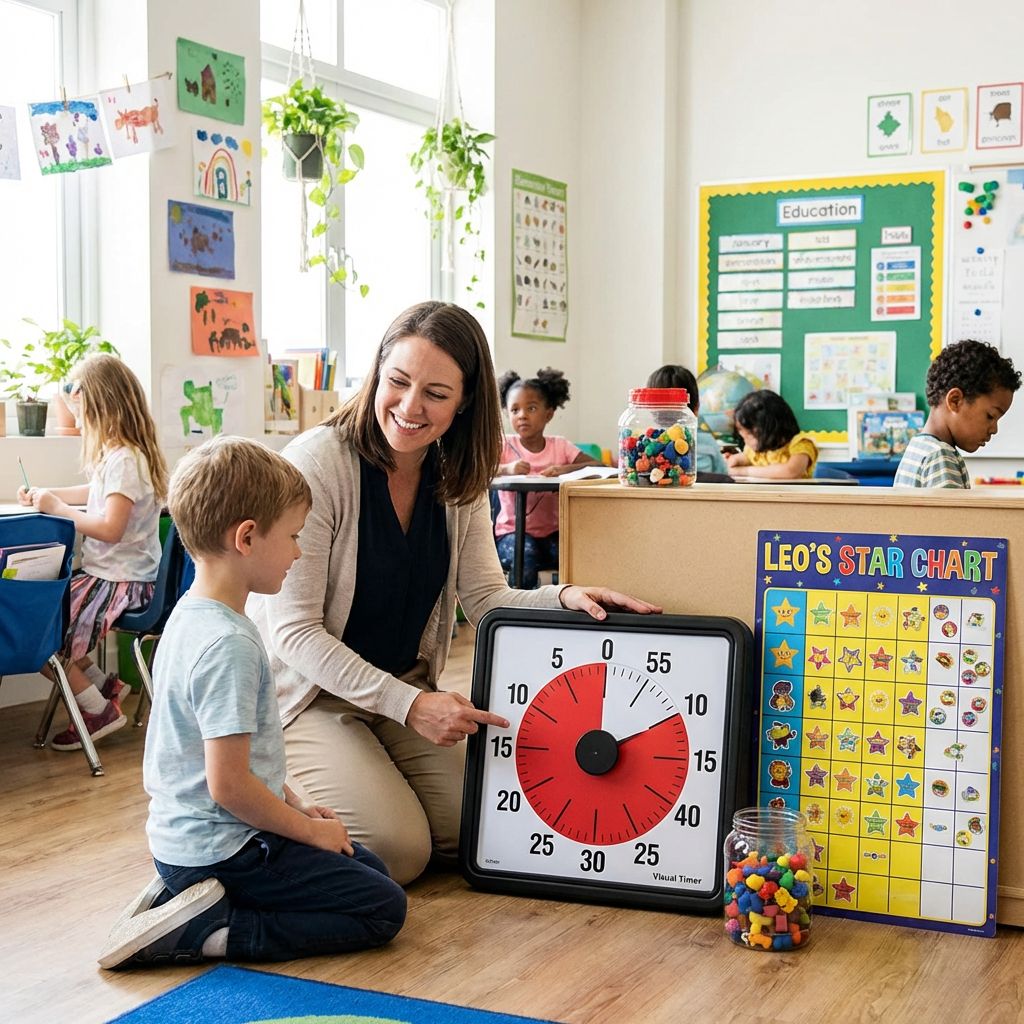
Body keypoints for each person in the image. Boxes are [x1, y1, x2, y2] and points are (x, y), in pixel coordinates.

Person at [249, 301, 661, 886]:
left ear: (465, 401)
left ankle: (358, 786)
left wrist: (564, 597)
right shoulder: (319, 463)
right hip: (310, 700)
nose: (410, 407)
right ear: (376, 374)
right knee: (398, 851)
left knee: (481, 828)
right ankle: (244, 838)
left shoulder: (455, 474)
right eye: (397, 382)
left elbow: (489, 598)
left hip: (401, 693)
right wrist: (412, 706)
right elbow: (293, 632)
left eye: (436, 393)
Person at [98, 437, 406, 969]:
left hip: (190, 845)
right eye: (291, 536)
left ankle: (187, 902)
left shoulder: (190, 615)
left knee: (370, 866)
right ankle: (211, 932)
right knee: (383, 907)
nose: (298, 552)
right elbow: (229, 785)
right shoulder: (230, 644)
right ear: (246, 537)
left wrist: (297, 803)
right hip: (225, 850)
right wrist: (308, 831)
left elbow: (235, 757)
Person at [17, 354, 167, 751]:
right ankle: (104, 688)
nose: (79, 424)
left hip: (122, 583)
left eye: (80, 415)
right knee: (51, 620)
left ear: (102, 407)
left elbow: (110, 528)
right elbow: (92, 495)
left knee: (40, 634)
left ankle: (96, 710)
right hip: (115, 576)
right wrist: (46, 495)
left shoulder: (125, 462)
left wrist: (60, 512)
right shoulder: (123, 457)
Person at [494, 366, 600, 588]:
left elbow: (599, 465)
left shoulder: (559, 446)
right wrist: (507, 469)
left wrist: (563, 469)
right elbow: (480, 470)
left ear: (548, 413)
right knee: (526, 555)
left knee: (578, 557)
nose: (522, 415)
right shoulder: (505, 445)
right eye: (514, 410)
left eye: (531, 408)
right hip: (512, 534)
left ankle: (571, 612)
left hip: (553, 533)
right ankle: (521, 614)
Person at [894, 338, 1020, 488]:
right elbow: (951, 513)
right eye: (990, 416)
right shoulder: (941, 456)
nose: (994, 429)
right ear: (955, 400)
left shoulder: (917, 447)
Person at [646, 364, 729, 476]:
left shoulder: (647, 444)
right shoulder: (707, 442)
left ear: (650, 408)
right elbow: (723, 477)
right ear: (697, 407)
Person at [724, 389, 818, 480]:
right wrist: (732, 460)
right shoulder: (756, 451)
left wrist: (744, 471)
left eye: (749, 435)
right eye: (743, 436)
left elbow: (791, 471)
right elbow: (741, 459)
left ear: (770, 428)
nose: (746, 441)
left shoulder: (801, 444)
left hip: (795, 495)